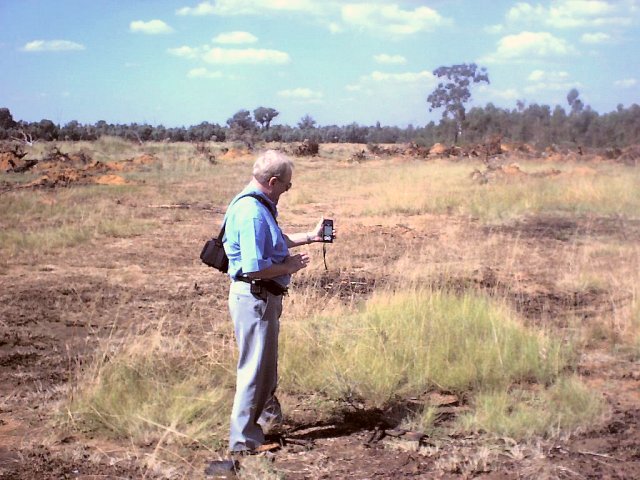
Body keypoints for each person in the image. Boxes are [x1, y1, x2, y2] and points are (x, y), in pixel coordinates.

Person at [222, 149, 329, 455]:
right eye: (287, 184)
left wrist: (311, 236)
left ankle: (265, 425)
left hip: (262, 298)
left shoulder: (255, 203)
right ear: (272, 181)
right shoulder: (253, 212)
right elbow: (254, 267)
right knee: (253, 371)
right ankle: (242, 443)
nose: (287, 190)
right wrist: (289, 267)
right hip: (255, 297)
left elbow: (274, 241)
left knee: (265, 369)